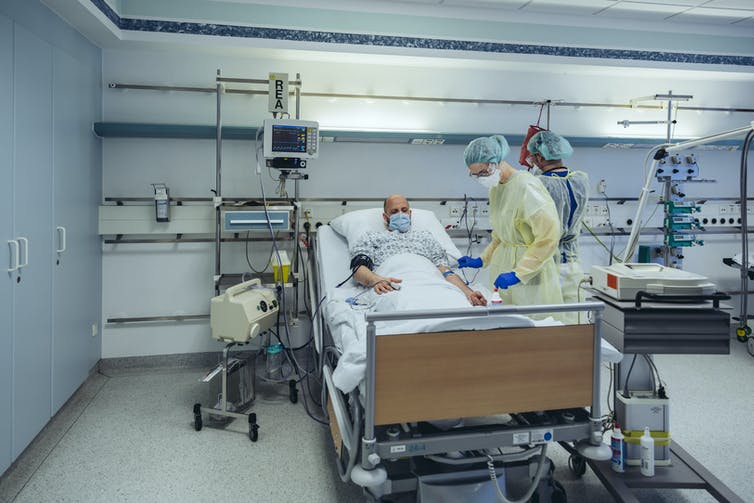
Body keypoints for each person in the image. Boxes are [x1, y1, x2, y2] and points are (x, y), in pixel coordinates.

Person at [457, 135, 564, 319]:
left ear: (496, 163)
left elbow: (549, 236)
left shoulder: (526, 186)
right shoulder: (496, 188)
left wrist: (519, 273)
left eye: (482, 173)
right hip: (503, 268)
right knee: (508, 327)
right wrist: (482, 260)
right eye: (475, 175)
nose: (480, 179)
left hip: (531, 275)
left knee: (535, 330)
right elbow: (500, 236)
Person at [350, 194, 487, 306]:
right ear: (385, 217)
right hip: (393, 285)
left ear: (410, 214)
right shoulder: (371, 237)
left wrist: (469, 293)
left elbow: (445, 271)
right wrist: (377, 280)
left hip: (431, 283)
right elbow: (358, 270)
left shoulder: (425, 236)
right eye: (394, 211)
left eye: (404, 210)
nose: (400, 214)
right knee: (399, 305)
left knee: (453, 302)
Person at [526, 131, 589, 324]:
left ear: (540, 156)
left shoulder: (536, 184)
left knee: (545, 324)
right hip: (572, 264)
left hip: (544, 266)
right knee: (575, 322)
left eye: (533, 157)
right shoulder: (581, 180)